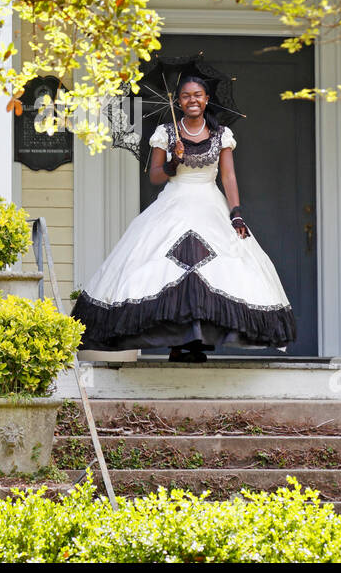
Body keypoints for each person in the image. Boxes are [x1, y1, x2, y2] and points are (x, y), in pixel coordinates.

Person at [71, 75, 296, 362]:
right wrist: (172, 163)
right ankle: (177, 342)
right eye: (187, 95)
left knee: (214, 268)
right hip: (174, 202)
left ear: (206, 99)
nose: (193, 100)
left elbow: (228, 176)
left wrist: (236, 213)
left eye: (198, 95)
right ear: (178, 101)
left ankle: (200, 340)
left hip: (210, 204)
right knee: (169, 268)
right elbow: (154, 176)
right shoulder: (166, 133)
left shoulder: (221, 133)